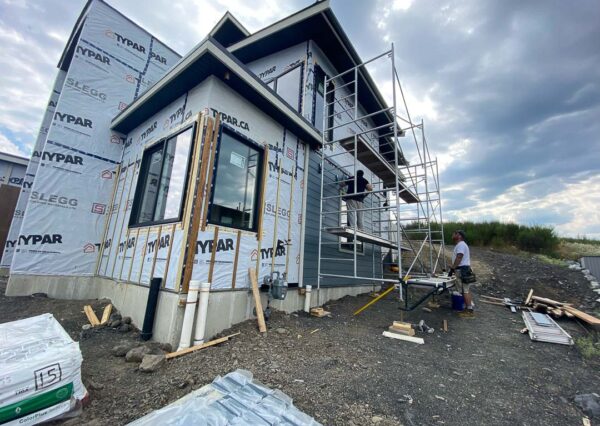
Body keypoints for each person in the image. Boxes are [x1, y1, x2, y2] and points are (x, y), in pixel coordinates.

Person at [450, 230, 475, 316]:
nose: (453, 235)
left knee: (465, 290)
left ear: (459, 236)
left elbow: (459, 256)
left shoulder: (461, 245)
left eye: (455, 233)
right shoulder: (461, 245)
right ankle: (468, 307)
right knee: (465, 290)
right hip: (463, 269)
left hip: (462, 270)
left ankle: (469, 310)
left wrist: (453, 267)